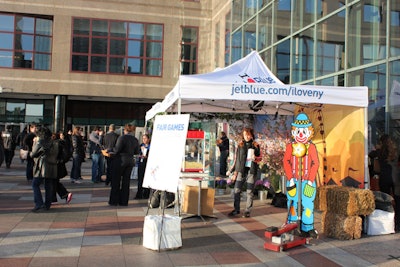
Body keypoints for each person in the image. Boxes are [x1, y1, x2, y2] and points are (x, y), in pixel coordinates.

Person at [283, 113, 319, 238]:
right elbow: (286, 162)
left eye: (304, 131)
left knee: (308, 204)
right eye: (298, 131)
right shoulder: (290, 147)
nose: (301, 134)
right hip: (293, 180)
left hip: (307, 181)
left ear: (309, 132)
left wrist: (310, 180)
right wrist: (291, 178)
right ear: (294, 132)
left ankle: (307, 227)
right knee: (293, 202)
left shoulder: (312, 147)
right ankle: (292, 224)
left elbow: (315, 163)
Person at [227, 127, 260, 218]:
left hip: (251, 170)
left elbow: (260, 158)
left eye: (248, 134)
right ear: (243, 135)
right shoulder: (240, 145)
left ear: (252, 135)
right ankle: (236, 209)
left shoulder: (256, 145)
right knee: (237, 190)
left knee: (249, 191)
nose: (247, 136)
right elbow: (236, 159)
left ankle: (247, 211)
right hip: (241, 170)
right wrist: (234, 172)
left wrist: (255, 158)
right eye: (245, 135)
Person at [108, 124, 139, 206]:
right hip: (130, 161)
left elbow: (116, 150)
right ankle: (124, 201)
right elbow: (137, 151)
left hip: (120, 160)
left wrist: (109, 150)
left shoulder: (122, 138)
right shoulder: (135, 139)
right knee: (126, 182)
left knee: (116, 181)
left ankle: (114, 201)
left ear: (125, 130)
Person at [30, 126, 59, 212]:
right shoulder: (54, 143)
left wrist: (35, 143)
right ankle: (47, 204)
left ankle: (39, 203)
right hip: (52, 166)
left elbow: (33, 153)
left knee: (35, 184)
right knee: (48, 185)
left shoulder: (40, 141)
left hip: (42, 166)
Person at [51, 132, 73, 204]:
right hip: (58, 166)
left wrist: (59, 161)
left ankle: (63, 195)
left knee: (53, 182)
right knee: (54, 182)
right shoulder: (61, 143)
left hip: (55, 166)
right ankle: (62, 195)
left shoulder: (57, 144)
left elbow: (66, 155)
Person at [135, 134, 151, 199]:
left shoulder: (150, 146)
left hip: (147, 164)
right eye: (143, 138)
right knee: (140, 179)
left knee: (146, 179)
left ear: (148, 139)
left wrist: (146, 156)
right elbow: (137, 152)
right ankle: (139, 194)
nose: (144, 140)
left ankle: (146, 194)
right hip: (141, 163)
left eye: (145, 138)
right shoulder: (141, 146)